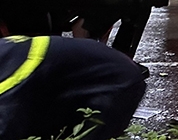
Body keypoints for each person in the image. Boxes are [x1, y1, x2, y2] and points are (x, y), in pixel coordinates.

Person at [0, 35, 146, 140]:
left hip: (115, 83)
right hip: (75, 83)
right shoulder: (7, 54)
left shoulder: (12, 79)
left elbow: (7, 126)